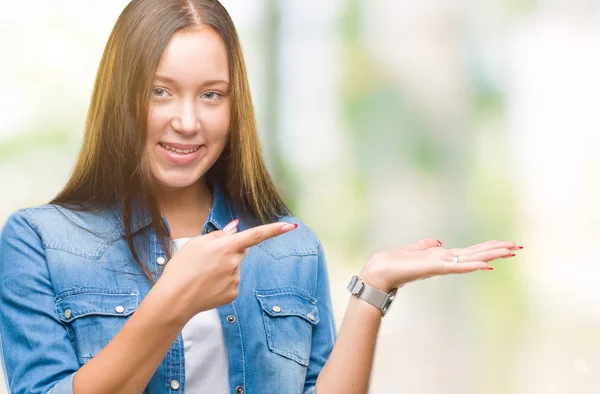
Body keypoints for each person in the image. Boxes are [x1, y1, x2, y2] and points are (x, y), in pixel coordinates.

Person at [0, 1, 521, 393]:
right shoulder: (39, 242)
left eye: (212, 94)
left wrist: (373, 291)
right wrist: (172, 300)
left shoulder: (289, 248)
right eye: (160, 91)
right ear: (122, 97)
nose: (187, 121)